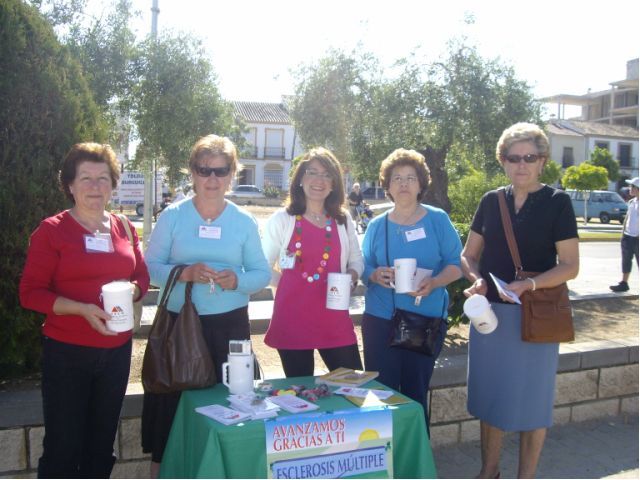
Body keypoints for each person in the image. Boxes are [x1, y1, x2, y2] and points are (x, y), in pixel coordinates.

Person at [141, 134, 271, 477]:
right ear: (192, 172)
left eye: (221, 170)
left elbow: (261, 274)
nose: (212, 179)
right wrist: (185, 272)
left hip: (229, 329)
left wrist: (237, 280)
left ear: (232, 174)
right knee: (169, 418)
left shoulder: (243, 221)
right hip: (179, 328)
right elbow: (149, 268)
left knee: (234, 411)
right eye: (204, 170)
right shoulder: (172, 216)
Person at [19, 142, 150, 478]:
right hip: (67, 353)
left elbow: (141, 275)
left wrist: (131, 291)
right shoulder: (52, 231)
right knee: (63, 447)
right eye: (86, 178)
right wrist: (81, 309)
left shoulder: (124, 227)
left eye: (103, 178)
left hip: (116, 353)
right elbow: (30, 294)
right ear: (70, 185)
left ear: (113, 184)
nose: (95, 186)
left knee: (101, 446)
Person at [460, 122, 579, 478]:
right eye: (513, 158)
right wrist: (477, 279)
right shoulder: (491, 201)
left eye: (529, 157)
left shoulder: (558, 203)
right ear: (503, 161)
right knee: (491, 399)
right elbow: (467, 256)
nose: (521, 164)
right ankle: (489, 472)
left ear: (542, 160)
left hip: (536, 316)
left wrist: (531, 285)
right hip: (491, 317)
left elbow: (570, 266)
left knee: (534, 404)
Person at [360, 148, 462, 421]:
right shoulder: (376, 226)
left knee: (415, 394)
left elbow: (457, 263)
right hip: (380, 320)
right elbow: (362, 266)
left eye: (410, 178)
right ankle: (385, 458)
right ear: (388, 186)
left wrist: (436, 281)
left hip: (423, 320)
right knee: (381, 394)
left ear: (421, 185)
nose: (403, 184)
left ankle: (416, 461)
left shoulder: (437, 219)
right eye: (397, 178)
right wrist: (373, 275)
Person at [262, 147, 364, 377]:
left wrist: (352, 276)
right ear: (300, 179)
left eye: (327, 174)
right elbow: (262, 266)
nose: (319, 180)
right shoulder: (281, 220)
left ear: (335, 183)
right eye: (312, 172)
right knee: (299, 397)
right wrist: (287, 283)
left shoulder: (342, 219)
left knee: (353, 387)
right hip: (292, 321)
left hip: (335, 320)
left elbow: (357, 260)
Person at [610, 177, 638, 292]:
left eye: (632, 186)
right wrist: (623, 234)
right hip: (628, 236)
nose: (629, 188)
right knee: (626, 260)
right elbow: (627, 219)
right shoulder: (631, 202)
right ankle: (624, 283)